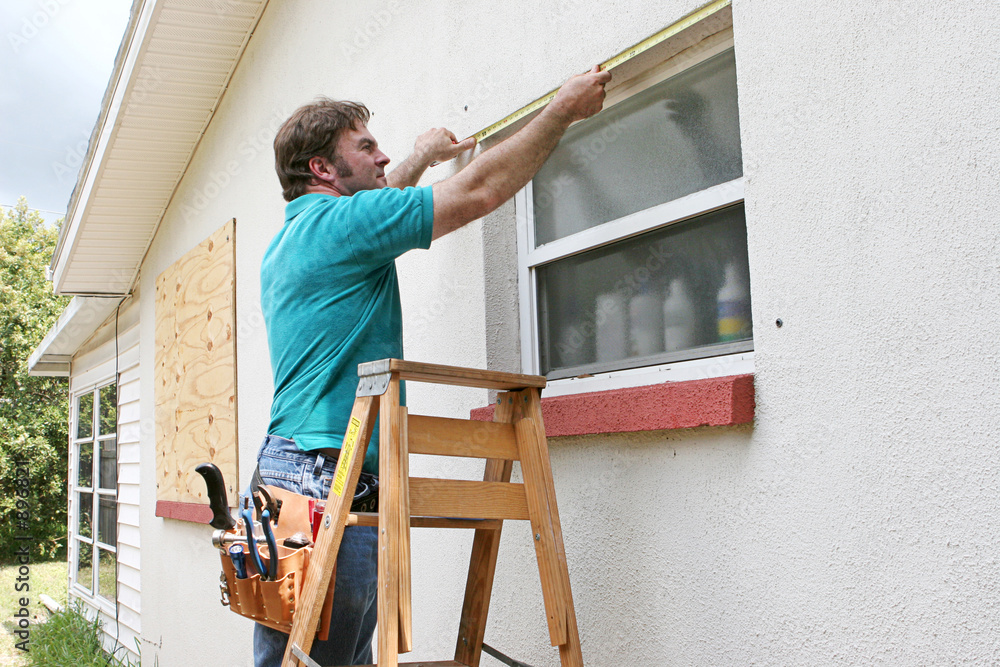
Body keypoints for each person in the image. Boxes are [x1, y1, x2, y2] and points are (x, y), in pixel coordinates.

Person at [253, 65, 611, 666]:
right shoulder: (343, 224)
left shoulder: (293, 238)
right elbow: (478, 192)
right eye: (365, 147)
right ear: (321, 169)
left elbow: (382, 206)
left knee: (297, 657)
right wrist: (561, 111)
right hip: (327, 475)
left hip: (289, 471)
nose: (382, 156)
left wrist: (420, 155)